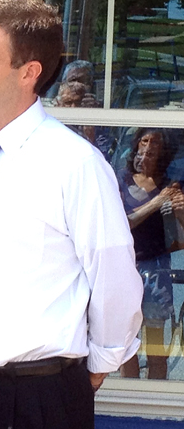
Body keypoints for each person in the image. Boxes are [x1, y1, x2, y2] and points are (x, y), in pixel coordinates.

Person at [0, 0, 143, 429]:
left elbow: (113, 274)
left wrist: (98, 365)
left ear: (30, 73)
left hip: (38, 397)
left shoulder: (75, 164)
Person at [118, 128, 184, 379]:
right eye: (144, 141)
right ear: (135, 147)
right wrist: (157, 202)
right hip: (126, 266)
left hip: (157, 267)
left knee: (155, 344)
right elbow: (123, 223)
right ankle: (129, 398)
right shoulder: (122, 181)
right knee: (127, 344)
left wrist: (179, 209)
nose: (148, 147)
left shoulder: (171, 184)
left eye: (155, 142)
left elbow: (181, 237)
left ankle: (157, 391)